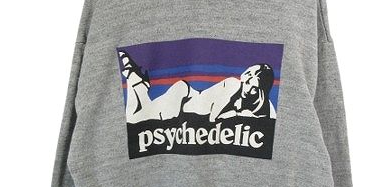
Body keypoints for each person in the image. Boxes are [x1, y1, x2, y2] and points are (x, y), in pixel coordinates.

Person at [118, 49, 276, 124]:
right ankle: (136, 83)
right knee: (133, 119)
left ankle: (137, 82)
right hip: (183, 98)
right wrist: (239, 113)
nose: (247, 89)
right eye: (247, 79)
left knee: (136, 116)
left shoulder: (265, 105)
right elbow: (214, 117)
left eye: (254, 88)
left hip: (186, 99)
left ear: (262, 91)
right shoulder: (233, 85)